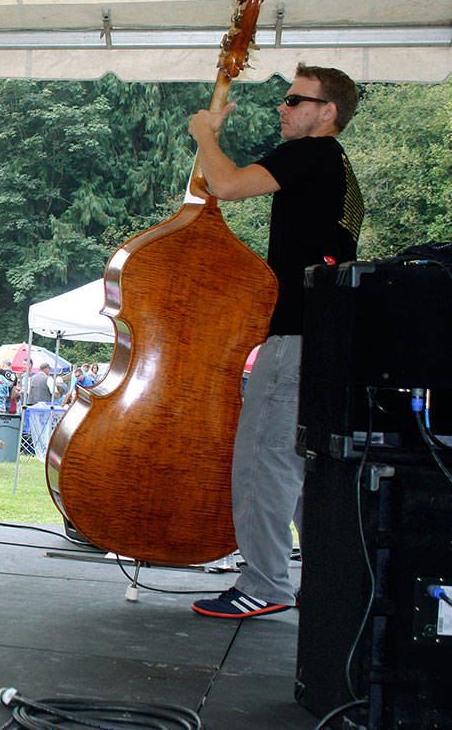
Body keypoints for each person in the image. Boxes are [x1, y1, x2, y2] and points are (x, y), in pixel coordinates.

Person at [186, 64, 362, 619]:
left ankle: (263, 584)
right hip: (330, 341)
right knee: (311, 471)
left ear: (327, 112)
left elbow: (228, 184)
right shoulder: (341, 173)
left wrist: (204, 135)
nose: (282, 109)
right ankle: (334, 583)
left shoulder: (311, 154)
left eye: (294, 100)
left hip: (295, 341)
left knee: (265, 462)